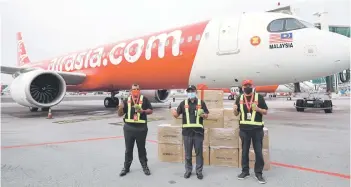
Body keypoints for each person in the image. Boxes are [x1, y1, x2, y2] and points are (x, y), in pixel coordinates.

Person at [233, 79, 268, 184]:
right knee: (244, 152)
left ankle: (258, 173)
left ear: (252, 86)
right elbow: (236, 114)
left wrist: (258, 109)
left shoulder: (259, 97)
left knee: (258, 152)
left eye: (249, 85)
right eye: (245, 85)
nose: (247, 87)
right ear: (242, 87)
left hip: (257, 130)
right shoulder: (239, 98)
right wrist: (234, 110)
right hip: (244, 130)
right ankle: (245, 171)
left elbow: (265, 111)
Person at [171, 85, 209, 180]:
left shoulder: (201, 103)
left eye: (192, 91)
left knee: (198, 153)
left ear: (195, 92)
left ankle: (199, 171)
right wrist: (173, 112)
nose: (190, 92)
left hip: (198, 133)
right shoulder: (183, 103)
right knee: (188, 154)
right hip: (187, 132)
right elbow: (177, 114)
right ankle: (188, 170)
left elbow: (206, 115)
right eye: (189, 91)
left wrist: (203, 115)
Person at [117, 84, 153, 176]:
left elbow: (150, 110)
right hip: (129, 128)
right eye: (134, 89)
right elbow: (120, 114)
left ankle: (145, 166)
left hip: (141, 128)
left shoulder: (144, 99)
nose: (135, 90)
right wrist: (120, 108)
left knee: (142, 149)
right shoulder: (127, 100)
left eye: (137, 89)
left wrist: (143, 111)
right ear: (130, 90)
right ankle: (126, 167)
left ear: (139, 90)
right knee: (128, 149)